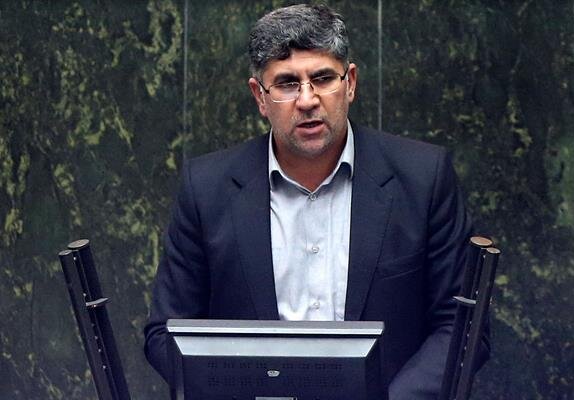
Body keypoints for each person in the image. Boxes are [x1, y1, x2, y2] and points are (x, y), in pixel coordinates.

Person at [144, 4, 489, 399]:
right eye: (287, 83)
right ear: (260, 97)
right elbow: (166, 332)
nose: (307, 100)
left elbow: (462, 327)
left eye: (323, 78)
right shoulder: (206, 190)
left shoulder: (424, 178)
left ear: (350, 83)